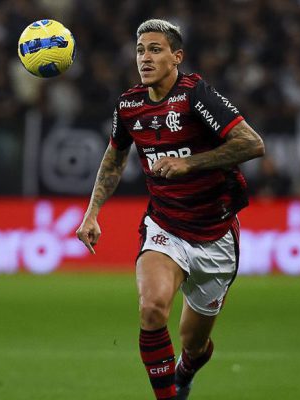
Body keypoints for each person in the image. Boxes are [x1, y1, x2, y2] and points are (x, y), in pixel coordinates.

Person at [76, 19, 265, 400]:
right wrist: (91, 213)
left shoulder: (196, 95)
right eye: (140, 50)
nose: (145, 57)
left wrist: (191, 163)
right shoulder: (129, 105)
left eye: (155, 49)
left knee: (193, 345)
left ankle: (186, 370)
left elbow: (252, 144)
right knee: (152, 308)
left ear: (176, 57)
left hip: (215, 235)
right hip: (165, 226)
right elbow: (114, 160)